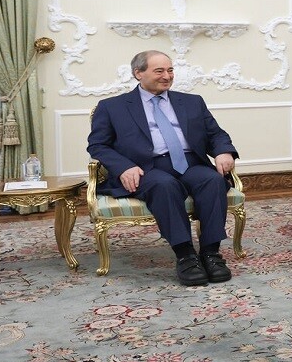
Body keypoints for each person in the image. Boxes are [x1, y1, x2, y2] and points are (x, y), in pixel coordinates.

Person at [87, 50, 238, 287]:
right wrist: (124, 167)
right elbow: (98, 145)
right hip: (145, 168)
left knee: (212, 180)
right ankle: (185, 255)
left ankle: (211, 253)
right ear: (138, 73)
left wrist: (223, 151)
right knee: (164, 185)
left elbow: (215, 134)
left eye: (170, 70)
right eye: (159, 71)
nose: (167, 76)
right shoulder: (112, 107)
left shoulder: (192, 101)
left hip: (189, 162)